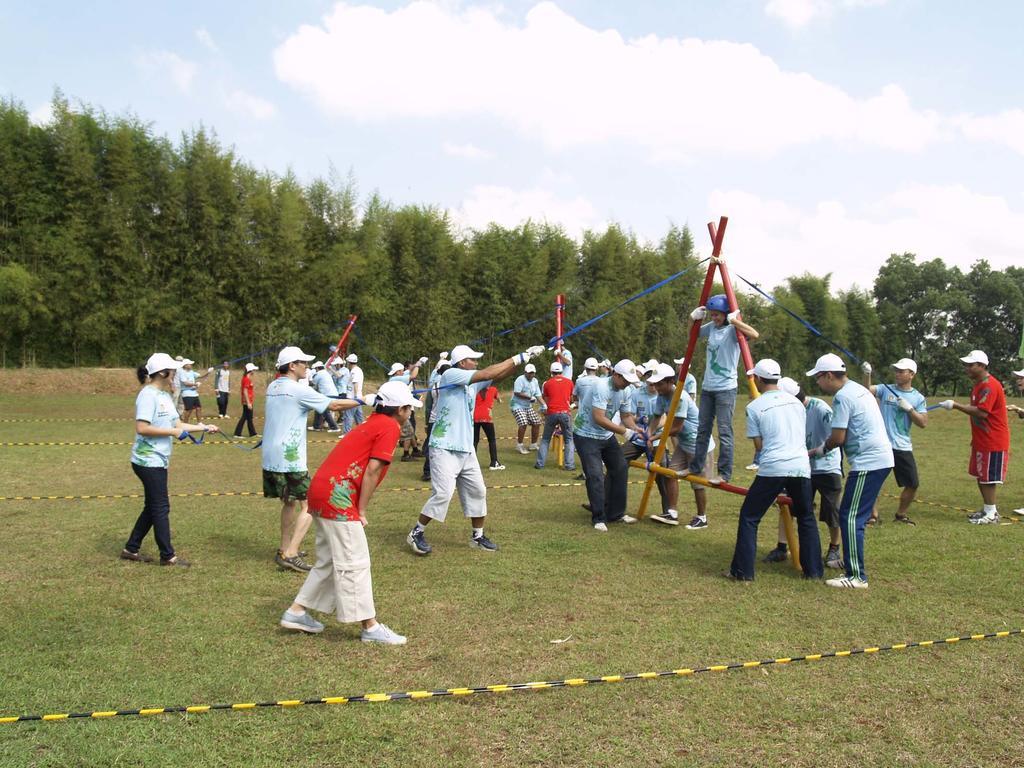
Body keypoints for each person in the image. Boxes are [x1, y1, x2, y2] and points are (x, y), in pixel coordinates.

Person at [279, 381, 421, 644]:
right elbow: (373, 470)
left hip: (320, 492)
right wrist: (361, 509)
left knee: (330, 560)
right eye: (409, 408)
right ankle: (370, 627)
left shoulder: (371, 421)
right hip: (337, 498)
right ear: (400, 409)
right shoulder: (390, 426)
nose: (411, 412)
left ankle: (297, 611)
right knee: (355, 561)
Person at [406, 343, 545, 556]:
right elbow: (488, 372)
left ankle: (477, 536)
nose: (476, 363)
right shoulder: (451, 374)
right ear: (462, 363)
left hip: (465, 448)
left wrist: (523, 360)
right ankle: (416, 532)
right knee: (443, 493)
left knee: (478, 492)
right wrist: (519, 356)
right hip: (443, 446)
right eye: (473, 360)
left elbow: (497, 376)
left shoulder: (472, 383)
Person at [263, 346, 362, 573]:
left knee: (288, 502)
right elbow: (334, 405)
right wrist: (363, 400)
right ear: (292, 366)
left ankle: (283, 548)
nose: (307, 367)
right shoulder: (297, 389)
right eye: (303, 363)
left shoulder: (273, 386)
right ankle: (290, 553)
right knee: (311, 504)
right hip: (290, 458)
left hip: (272, 456)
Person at [121, 353, 219, 567]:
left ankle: (131, 548)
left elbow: (178, 424)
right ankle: (168, 556)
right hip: (147, 461)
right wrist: (172, 433)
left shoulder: (165, 396)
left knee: (153, 506)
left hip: (159, 460)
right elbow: (142, 428)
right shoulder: (148, 395)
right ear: (163, 373)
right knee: (161, 507)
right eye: (173, 371)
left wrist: (203, 427)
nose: (175, 374)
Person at [728, 360, 822, 581]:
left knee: (750, 517)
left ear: (759, 379)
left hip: (773, 466)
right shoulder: (797, 403)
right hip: (800, 465)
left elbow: (759, 447)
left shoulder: (754, 407)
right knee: (806, 517)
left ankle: (743, 572)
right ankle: (814, 572)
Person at [807, 353, 894, 589]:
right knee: (851, 514)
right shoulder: (858, 389)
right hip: (879, 459)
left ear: (827, 375)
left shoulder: (842, 397)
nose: (817, 383)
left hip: (869, 461)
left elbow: (837, 437)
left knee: (850, 516)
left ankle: (857, 576)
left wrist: (817, 451)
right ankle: (852, 564)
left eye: (818, 378)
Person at [762, 377, 843, 570]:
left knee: (831, 510)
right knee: (788, 506)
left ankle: (834, 548)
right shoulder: (789, 412)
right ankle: (782, 547)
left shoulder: (821, 409)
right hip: (800, 467)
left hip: (826, 467)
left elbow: (836, 437)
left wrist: (815, 452)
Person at [684, 294, 760, 487]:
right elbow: (692, 336)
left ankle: (724, 473)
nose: (714, 318)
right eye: (712, 314)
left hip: (726, 388)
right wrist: (692, 319)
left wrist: (735, 321)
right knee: (702, 430)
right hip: (708, 387)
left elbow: (754, 334)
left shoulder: (733, 331)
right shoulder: (711, 328)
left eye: (718, 315)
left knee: (725, 431)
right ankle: (695, 466)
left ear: (725, 314)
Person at [937, 350, 1011, 525]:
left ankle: (992, 514)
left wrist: (955, 405)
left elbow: (982, 412)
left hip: (993, 439)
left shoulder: (990, 385)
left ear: (982, 366)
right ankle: (987, 509)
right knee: (980, 475)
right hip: (981, 439)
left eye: (971, 365)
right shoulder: (978, 385)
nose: (966, 368)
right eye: (966, 365)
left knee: (988, 478)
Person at [573, 360, 642, 532]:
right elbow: (599, 417)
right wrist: (624, 432)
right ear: (615, 375)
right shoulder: (601, 386)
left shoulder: (625, 390)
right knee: (595, 474)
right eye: (625, 379)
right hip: (585, 435)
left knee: (620, 468)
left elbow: (626, 415)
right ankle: (598, 517)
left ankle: (616, 514)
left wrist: (635, 428)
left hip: (606, 435)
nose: (627, 383)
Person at [862, 358, 928, 524]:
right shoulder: (885, 389)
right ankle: (873, 515)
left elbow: (923, 422)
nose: (897, 374)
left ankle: (900, 514)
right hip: (881, 444)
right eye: (896, 370)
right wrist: (867, 374)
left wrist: (910, 409)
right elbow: (865, 392)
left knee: (912, 483)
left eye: (901, 371)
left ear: (911, 374)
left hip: (902, 446)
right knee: (873, 481)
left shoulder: (918, 397)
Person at [644, 363, 710, 528]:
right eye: (655, 384)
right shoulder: (661, 396)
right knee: (670, 473)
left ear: (670, 381)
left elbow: (675, 428)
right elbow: (656, 417)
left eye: (659, 384)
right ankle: (672, 513)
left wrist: (654, 437)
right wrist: (648, 434)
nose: (656, 387)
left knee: (697, 482)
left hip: (698, 445)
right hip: (684, 443)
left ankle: (702, 517)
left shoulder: (680, 397)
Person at [535, 361, 575, 471]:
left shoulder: (547, 384)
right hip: (565, 413)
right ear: (561, 371)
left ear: (551, 372)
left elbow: (546, 400)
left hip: (552, 413)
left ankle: (540, 463)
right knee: (568, 440)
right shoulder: (569, 382)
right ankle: (569, 465)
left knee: (546, 439)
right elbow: (571, 398)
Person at [422, 355, 453, 480]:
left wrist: (426, 422)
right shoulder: (453, 384)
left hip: (433, 420)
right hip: (446, 420)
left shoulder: (434, 386)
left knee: (432, 446)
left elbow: (428, 406)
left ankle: (427, 471)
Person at [512, 363, 544, 453]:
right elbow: (517, 392)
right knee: (523, 422)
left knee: (537, 422)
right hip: (516, 405)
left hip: (527, 406)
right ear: (525, 372)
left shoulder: (535, 381)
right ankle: (519, 445)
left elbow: (538, 394)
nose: (531, 375)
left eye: (532, 373)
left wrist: (543, 404)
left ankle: (533, 444)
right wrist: (529, 397)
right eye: (529, 373)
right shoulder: (520, 379)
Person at [473, 381, 504, 472]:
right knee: (491, 440)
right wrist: (499, 400)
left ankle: (472, 464)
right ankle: (494, 462)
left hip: (475, 417)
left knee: (475, 440)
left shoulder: (475, 390)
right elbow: (498, 398)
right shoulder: (493, 389)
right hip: (487, 417)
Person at [310, 361, 342, 433]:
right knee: (319, 408)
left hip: (328, 395)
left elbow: (314, 386)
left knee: (325, 410)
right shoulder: (326, 373)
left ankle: (334, 427)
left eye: (315, 368)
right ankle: (316, 426)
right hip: (332, 393)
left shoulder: (318, 374)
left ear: (317, 368)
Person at [179, 359, 213, 424]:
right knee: (189, 410)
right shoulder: (182, 373)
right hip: (187, 394)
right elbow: (185, 383)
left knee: (198, 408)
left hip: (194, 394)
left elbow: (201, 376)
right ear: (185, 365)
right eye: (190, 364)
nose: (191, 365)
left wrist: (208, 372)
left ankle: (199, 423)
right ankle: (185, 424)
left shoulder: (192, 372)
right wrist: (195, 384)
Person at [234, 362, 259, 437]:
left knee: (249, 417)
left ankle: (252, 433)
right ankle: (237, 434)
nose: (254, 371)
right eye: (253, 370)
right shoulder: (246, 379)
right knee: (245, 417)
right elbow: (245, 391)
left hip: (249, 401)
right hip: (247, 402)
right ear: (250, 371)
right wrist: (248, 403)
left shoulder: (247, 379)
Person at [347, 353, 366, 427]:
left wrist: (355, 396)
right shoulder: (357, 370)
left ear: (349, 362)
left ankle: (346, 433)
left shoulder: (354, 371)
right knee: (359, 416)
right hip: (357, 397)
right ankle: (363, 431)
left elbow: (355, 383)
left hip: (353, 397)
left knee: (348, 415)